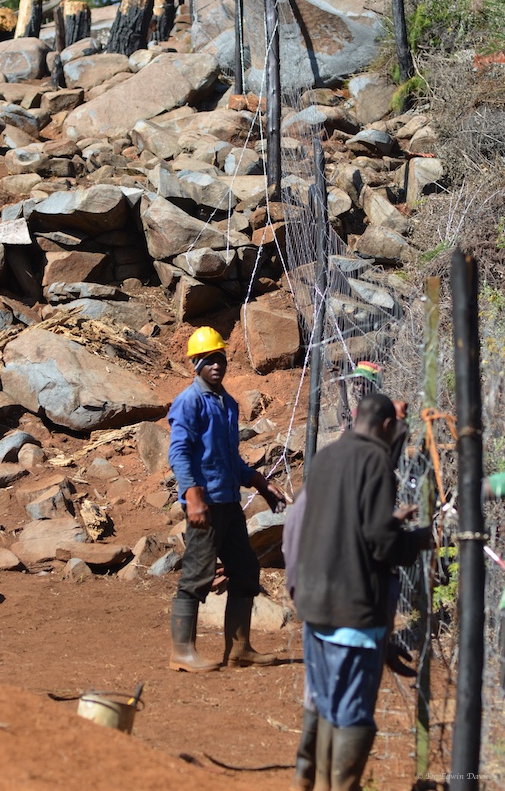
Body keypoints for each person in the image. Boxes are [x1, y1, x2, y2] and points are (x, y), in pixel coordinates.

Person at [294, 394, 431, 790]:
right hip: (352, 611)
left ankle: (317, 783)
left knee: (324, 706)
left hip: (315, 607)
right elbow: (379, 541)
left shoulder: (326, 458)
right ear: (387, 427)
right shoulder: (376, 465)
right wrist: (418, 540)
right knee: (352, 711)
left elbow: (347, 520)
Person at [168, 326, 286, 673]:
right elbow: (179, 452)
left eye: (220, 357)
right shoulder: (189, 402)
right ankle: (181, 653)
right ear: (196, 364)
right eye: (208, 359)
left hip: (228, 501)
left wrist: (260, 484)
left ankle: (239, 649)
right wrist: (193, 496)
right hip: (204, 503)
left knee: (245, 569)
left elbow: (229, 457)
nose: (216, 364)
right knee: (197, 574)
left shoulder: (227, 404)